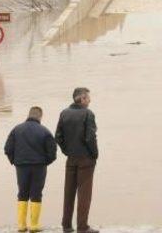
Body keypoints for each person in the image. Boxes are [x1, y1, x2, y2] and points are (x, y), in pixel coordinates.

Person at [5, 106, 57, 233]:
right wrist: (45, 162)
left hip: (21, 166)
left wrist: (15, 161)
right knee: (36, 194)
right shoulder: (45, 131)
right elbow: (52, 152)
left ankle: (22, 225)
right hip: (39, 166)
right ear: (40, 116)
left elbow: (7, 149)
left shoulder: (16, 130)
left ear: (28, 115)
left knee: (22, 193)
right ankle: (34, 225)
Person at [55, 88, 99, 233]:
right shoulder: (88, 114)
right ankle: (82, 226)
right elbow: (90, 137)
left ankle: (66, 226)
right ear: (81, 99)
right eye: (87, 98)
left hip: (71, 158)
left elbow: (58, 137)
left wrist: (67, 151)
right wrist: (94, 154)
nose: (90, 100)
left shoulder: (64, 113)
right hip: (86, 159)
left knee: (69, 192)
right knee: (84, 194)